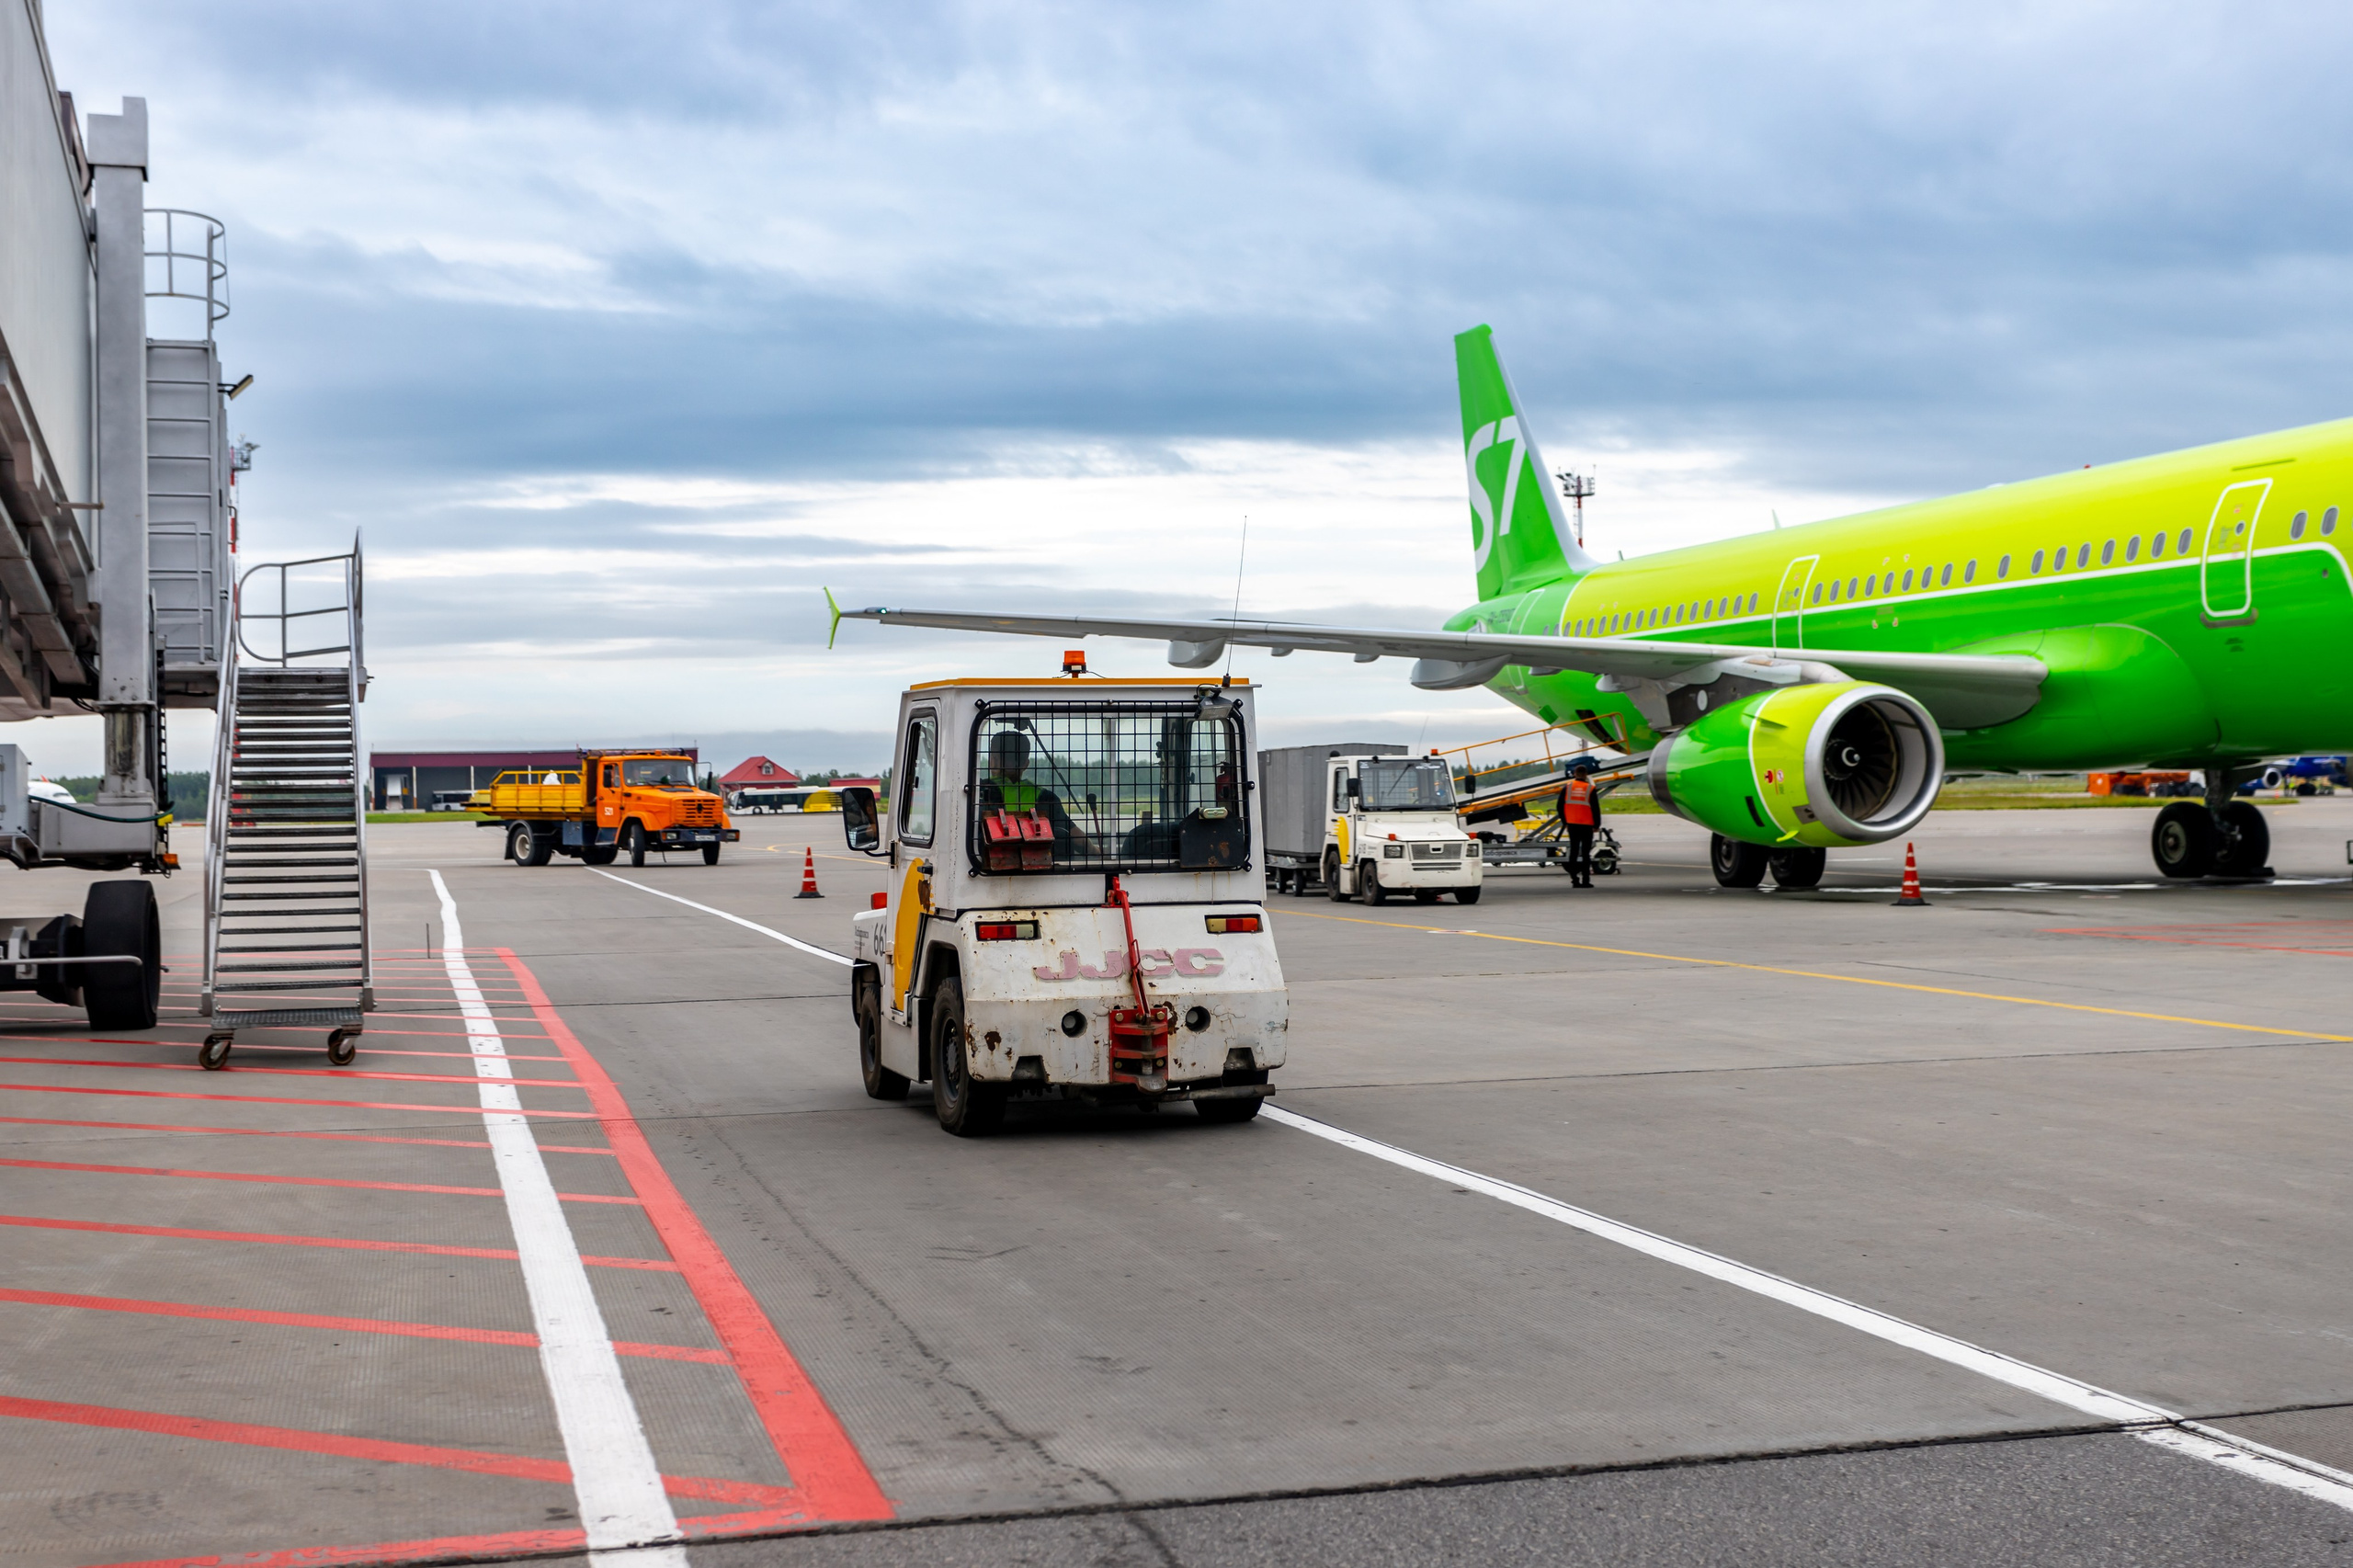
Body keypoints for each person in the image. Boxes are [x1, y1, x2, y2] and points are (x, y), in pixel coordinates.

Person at [978, 728, 1080, 857]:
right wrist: (1098, 853)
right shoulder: (1045, 797)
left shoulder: (978, 792)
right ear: (1026, 764)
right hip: (1035, 868)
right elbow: (1077, 837)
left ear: (992, 760)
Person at [1559, 757, 1599, 888]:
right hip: (1587, 825)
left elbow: (1559, 806)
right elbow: (1595, 808)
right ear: (1586, 775)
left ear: (1575, 774)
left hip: (1572, 825)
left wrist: (1565, 822)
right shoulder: (1590, 789)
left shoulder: (1567, 788)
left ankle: (1574, 880)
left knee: (1574, 852)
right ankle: (1586, 881)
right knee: (1586, 854)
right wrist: (1596, 825)